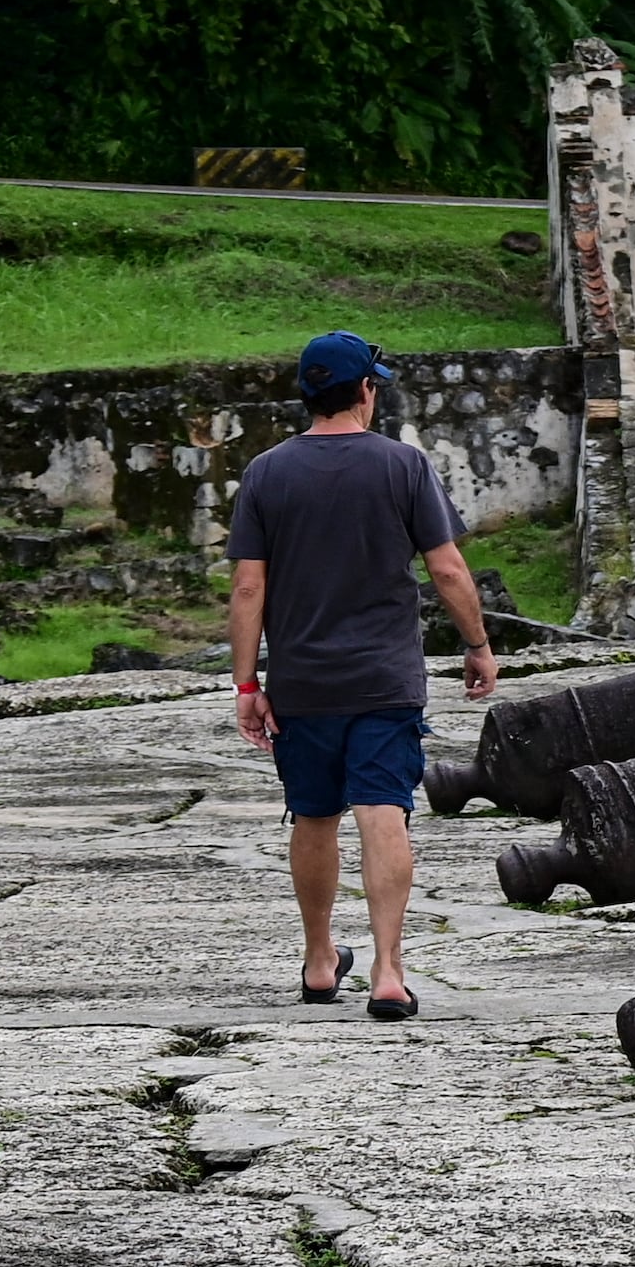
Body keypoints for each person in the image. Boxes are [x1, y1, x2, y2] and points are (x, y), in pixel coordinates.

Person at [226, 331, 498, 1018]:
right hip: (383, 679)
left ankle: (321, 963)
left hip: (303, 683)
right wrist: (478, 643)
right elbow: (446, 568)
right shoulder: (402, 466)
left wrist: (248, 686)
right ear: (366, 391)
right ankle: (387, 971)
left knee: (314, 816)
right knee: (383, 811)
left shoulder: (264, 472)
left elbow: (248, 590)